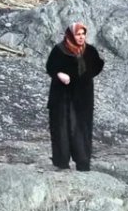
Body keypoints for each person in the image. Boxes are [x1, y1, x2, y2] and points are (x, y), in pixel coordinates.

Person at [45, 22, 105, 172]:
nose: (81, 37)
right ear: (71, 35)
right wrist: (59, 74)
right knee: (61, 127)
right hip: (62, 97)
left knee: (81, 128)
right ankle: (61, 163)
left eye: (83, 34)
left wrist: (85, 77)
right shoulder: (59, 50)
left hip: (82, 98)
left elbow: (98, 65)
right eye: (78, 34)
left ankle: (83, 163)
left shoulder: (90, 51)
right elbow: (50, 66)